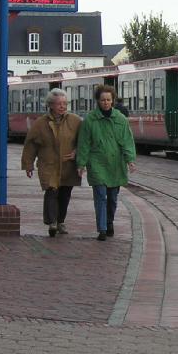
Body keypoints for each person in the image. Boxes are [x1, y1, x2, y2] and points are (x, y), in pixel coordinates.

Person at [77, 85, 136, 241]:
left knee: (112, 198)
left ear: (113, 101)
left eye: (108, 100)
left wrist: (130, 160)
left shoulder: (121, 120)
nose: (105, 102)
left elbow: (127, 141)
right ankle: (102, 228)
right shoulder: (90, 120)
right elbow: (84, 143)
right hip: (97, 162)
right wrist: (81, 163)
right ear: (97, 101)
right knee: (101, 196)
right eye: (102, 100)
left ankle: (109, 222)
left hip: (116, 163)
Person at [21, 88, 82, 237]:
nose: (62, 106)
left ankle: (61, 221)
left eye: (64, 103)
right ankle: (52, 222)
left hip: (68, 164)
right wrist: (28, 164)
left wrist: (77, 153)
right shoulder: (40, 123)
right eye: (59, 104)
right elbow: (30, 144)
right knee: (51, 191)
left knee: (65, 193)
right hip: (48, 164)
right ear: (51, 105)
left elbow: (84, 142)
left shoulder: (75, 121)